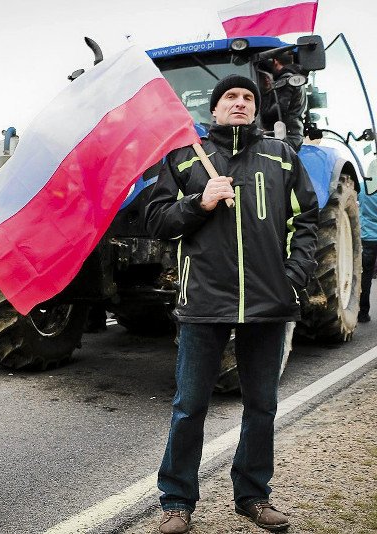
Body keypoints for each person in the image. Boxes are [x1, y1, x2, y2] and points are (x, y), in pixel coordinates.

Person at [145, 75, 318, 534]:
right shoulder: (185, 157)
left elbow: (305, 219)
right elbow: (157, 220)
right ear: (215, 109)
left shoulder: (282, 157)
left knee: (261, 406)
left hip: (268, 303)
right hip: (204, 299)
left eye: (247, 98)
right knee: (189, 406)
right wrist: (198, 204)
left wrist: (293, 278)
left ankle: (253, 496)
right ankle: (177, 501)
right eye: (230, 97)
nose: (239, 103)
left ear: (256, 108)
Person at [259, 52, 308, 151]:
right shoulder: (296, 79)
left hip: (286, 136)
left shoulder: (285, 80)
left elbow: (280, 108)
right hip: (293, 134)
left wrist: (259, 115)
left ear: (275, 62)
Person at [358, 184, 377, 322]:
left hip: (368, 238)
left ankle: (363, 313)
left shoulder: (362, 187)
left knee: (366, 277)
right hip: (368, 237)